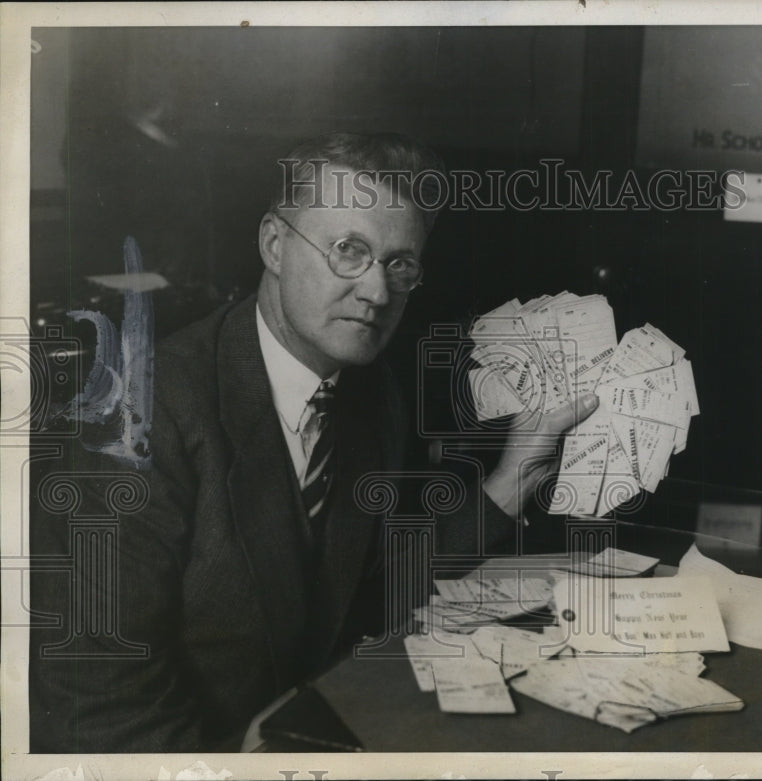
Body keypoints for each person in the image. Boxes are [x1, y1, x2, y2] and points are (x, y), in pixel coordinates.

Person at [29, 132, 598, 752]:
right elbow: (99, 712)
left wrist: (513, 479)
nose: (378, 293)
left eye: (399, 263)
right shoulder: (139, 417)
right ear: (274, 244)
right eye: (348, 250)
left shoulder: (369, 391)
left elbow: (367, 592)